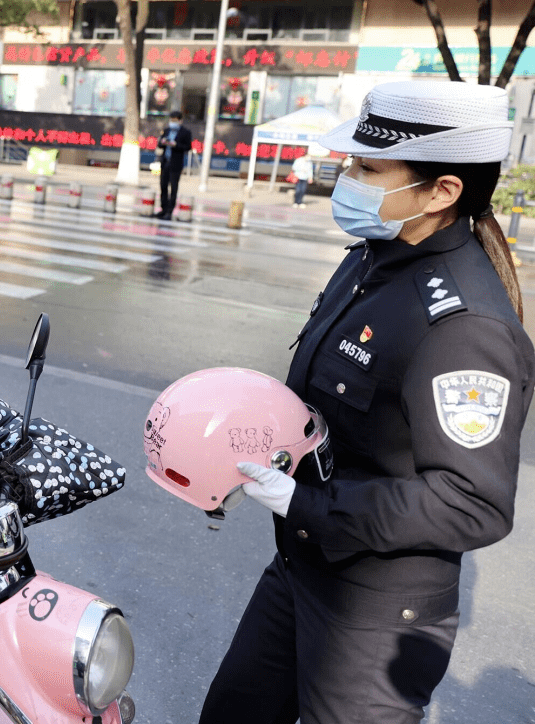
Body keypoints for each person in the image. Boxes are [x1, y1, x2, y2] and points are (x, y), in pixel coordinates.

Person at [199, 80, 535, 724]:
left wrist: (310, 502)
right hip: (302, 564)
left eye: (368, 168)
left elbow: (472, 503)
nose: (346, 178)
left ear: (443, 191)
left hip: (376, 612)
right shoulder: (373, 258)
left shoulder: (463, 326)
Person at [155, 109, 193, 220]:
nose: (173, 122)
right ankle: (163, 209)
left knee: (174, 188)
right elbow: (160, 144)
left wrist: (175, 145)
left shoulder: (185, 132)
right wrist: (162, 142)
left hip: (175, 164)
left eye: (175, 120)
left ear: (180, 121)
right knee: (163, 186)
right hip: (165, 162)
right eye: (171, 120)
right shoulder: (166, 130)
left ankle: (170, 211)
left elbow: (188, 147)